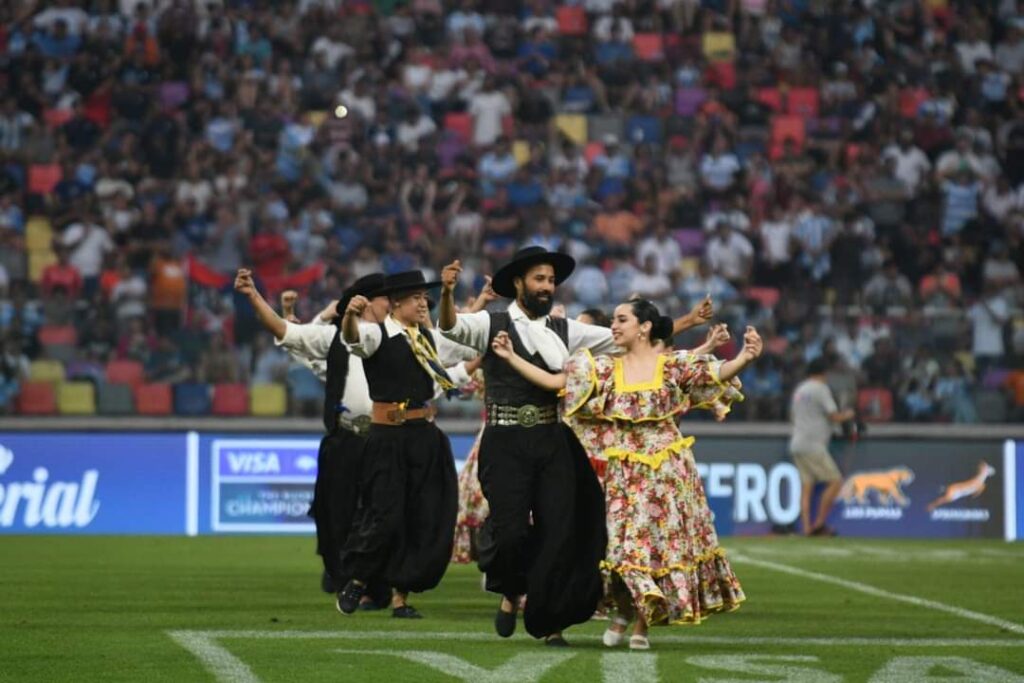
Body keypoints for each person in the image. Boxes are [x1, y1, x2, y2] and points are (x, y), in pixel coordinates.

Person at [437, 247, 713, 643]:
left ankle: (550, 622)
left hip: (552, 437)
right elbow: (450, 329)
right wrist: (447, 294)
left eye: (551, 280)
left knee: (559, 530)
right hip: (504, 440)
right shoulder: (488, 322)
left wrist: (687, 321)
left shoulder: (567, 330)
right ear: (519, 283)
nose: (547, 287)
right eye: (539, 279)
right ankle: (513, 588)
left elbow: (628, 338)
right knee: (510, 532)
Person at [489, 299, 760, 650]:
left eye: (621, 320)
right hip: (623, 473)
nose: (614, 326)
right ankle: (623, 609)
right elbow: (557, 381)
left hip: (666, 472)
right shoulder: (602, 368)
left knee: (652, 550)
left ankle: (641, 626)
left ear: (644, 327)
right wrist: (512, 357)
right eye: (614, 320)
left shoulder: (672, 365)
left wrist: (746, 357)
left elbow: (713, 374)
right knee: (618, 548)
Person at [234, 269, 393, 609]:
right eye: (386, 300)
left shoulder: (398, 339)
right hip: (347, 438)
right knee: (337, 513)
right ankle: (345, 576)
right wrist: (253, 295)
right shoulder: (336, 342)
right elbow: (289, 335)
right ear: (366, 303)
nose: (392, 306)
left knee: (382, 515)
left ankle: (375, 586)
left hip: (385, 438)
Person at [338, 270, 477, 619]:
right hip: (387, 437)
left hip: (424, 435)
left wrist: (483, 352)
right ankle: (358, 579)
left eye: (424, 299)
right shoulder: (376, 334)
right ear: (396, 302)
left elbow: (456, 363)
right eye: (416, 298)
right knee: (384, 514)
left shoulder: (427, 338)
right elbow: (352, 340)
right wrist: (351, 316)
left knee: (422, 515)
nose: (422, 304)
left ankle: (401, 596)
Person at [789, 357, 855, 536]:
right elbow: (833, 416)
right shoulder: (820, 389)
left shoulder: (800, 390)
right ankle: (819, 523)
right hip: (813, 444)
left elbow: (794, 416)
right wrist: (848, 415)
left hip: (797, 442)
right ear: (824, 373)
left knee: (807, 487)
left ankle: (807, 528)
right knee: (835, 481)